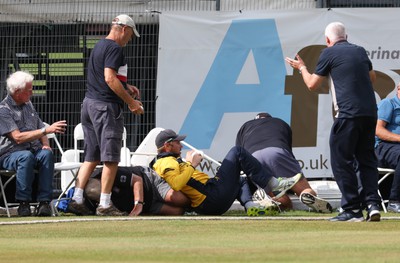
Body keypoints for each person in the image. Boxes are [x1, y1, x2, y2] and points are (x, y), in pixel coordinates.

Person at [285, 22, 381, 222]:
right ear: (346, 36)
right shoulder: (360, 51)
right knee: (366, 160)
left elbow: (312, 84)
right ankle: (372, 204)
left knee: (341, 162)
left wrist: (302, 67)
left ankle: (352, 210)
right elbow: (371, 78)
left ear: (328, 40)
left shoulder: (328, 53)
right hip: (370, 114)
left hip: (347, 114)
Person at [68, 14, 144, 216]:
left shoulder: (99, 46)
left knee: (91, 156)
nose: (129, 39)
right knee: (110, 158)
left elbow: (105, 78)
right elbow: (110, 79)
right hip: (106, 108)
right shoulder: (115, 49)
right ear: (124, 29)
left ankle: (76, 199)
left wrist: (127, 87)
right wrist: (132, 103)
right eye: (130, 35)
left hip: (89, 105)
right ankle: (104, 204)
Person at [152, 129, 302, 216]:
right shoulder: (165, 162)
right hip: (210, 197)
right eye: (177, 142)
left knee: (240, 179)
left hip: (211, 199)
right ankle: (274, 184)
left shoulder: (171, 160)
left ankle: (251, 207)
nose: (180, 145)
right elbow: (177, 184)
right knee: (237, 152)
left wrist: (188, 164)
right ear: (167, 145)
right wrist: (192, 164)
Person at [0, 71, 67, 217]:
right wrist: (46, 131)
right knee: (25, 157)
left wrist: (45, 144)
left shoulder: (28, 104)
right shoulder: (3, 111)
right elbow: (17, 137)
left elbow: (39, 125)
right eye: (29, 90)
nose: (32, 92)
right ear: (17, 92)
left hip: (32, 150)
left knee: (46, 154)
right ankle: (23, 203)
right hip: (9, 155)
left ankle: (44, 203)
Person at [236, 112, 333, 213]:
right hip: (278, 151)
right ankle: (306, 194)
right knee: (303, 188)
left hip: (254, 157)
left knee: (277, 194)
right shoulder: (281, 123)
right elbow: (288, 149)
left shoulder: (245, 127)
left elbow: (240, 155)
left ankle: (276, 201)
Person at [81, 166, 191, 216]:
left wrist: (139, 204)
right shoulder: (89, 201)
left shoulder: (107, 173)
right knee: (178, 212)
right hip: (149, 206)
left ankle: (200, 205)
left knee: (179, 200)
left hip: (150, 183)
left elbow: (137, 180)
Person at [375, 82, 400, 213]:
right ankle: (395, 201)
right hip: (383, 147)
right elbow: (378, 130)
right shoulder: (388, 104)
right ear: (399, 88)